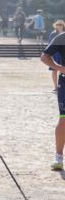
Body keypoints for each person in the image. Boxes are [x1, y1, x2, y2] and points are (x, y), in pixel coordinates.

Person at [40, 24, 65, 171]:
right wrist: (60, 68)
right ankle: (58, 158)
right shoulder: (62, 37)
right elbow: (44, 56)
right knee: (63, 120)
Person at [50, 20, 65, 91]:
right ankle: (56, 87)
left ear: (63, 25)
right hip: (55, 54)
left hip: (63, 53)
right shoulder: (53, 34)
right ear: (55, 25)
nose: (59, 26)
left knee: (63, 70)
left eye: (61, 24)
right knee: (54, 70)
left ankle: (61, 86)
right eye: (58, 24)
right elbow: (50, 44)